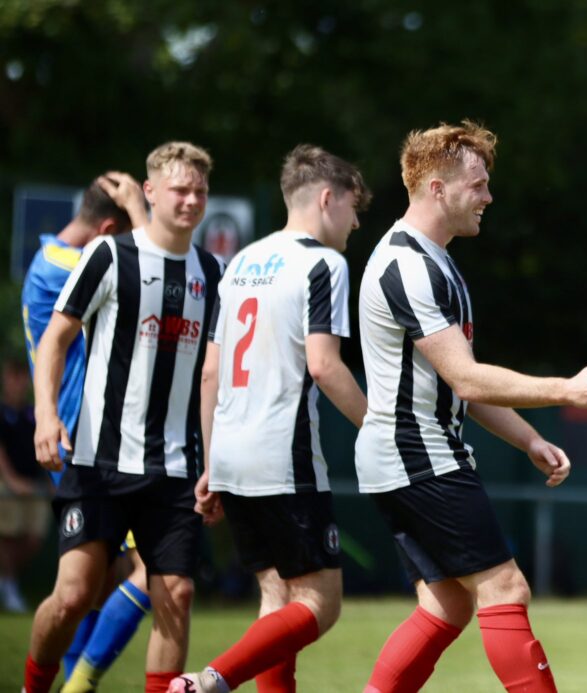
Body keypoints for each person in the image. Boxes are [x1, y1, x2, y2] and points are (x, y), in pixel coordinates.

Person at [357, 120, 587, 693]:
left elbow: (461, 385)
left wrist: (529, 439)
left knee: (446, 606)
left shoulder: (436, 261)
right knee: (505, 589)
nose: (488, 196)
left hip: (408, 458)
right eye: (477, 184)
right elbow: (469, 378)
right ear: (436, 188)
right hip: (419, 457)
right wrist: (564, 390)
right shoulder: (408, 265)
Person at [170, 144, 371, 693]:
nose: (355, 223)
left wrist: (211, 464)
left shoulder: (237, 265)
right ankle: (211, 680)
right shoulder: (325, 263)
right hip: (284, 455)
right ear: (327, 198)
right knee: (320, 605)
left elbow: (210, 373)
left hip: (231, 455)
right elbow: (325, 368)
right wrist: (378, 429)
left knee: (276, 600)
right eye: (354, 208)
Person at [23, 142, 222, 693]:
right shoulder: (109, 256)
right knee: (74, 596)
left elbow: (212, 376)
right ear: (150, 192)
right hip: (98, 459)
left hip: (176, 468)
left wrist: (216, 461)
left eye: (200, 191)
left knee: (176, 594)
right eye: (180, 189)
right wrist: (45, 415)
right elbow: (54, 341)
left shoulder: (213, 272)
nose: (191, 200)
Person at [21, 171, 155, 691]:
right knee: (150, 569)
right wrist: (143, 218)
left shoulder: (49, 258)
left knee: (92, 587)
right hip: (85, 443)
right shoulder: (64, 266)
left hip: (89, 441)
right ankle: (78, 683)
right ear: (106, 231)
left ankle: (68, 681)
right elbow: (145, 272)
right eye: (118, 238)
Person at [0, 359, 49, 613]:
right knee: (7, 537)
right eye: (13, 377)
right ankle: (9, 588)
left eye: (21, 378)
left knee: (33, 539)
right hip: (7, 486)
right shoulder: (1, 412)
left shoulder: (32, 413)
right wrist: (11, 481)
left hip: (33, 486)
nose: (17, 384)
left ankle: (7, 581)